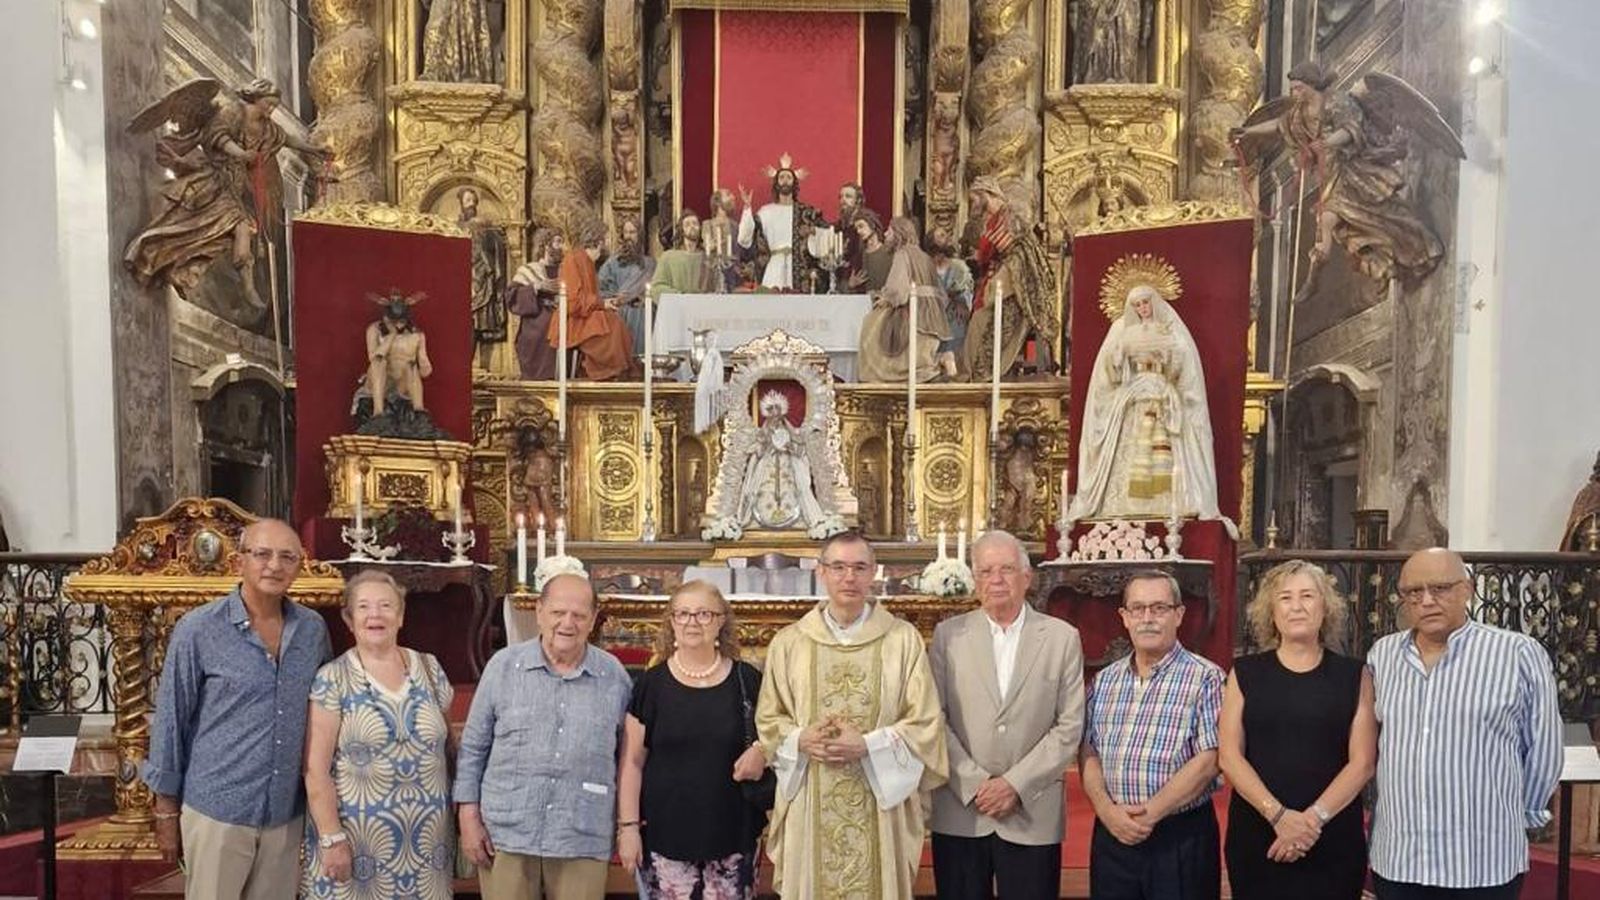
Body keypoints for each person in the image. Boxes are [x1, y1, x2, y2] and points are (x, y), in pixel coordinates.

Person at [142, 519, 332, 900]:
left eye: (287, 557)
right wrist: (165, 809)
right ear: (238, 561)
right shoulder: (198, 629)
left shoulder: (312, 631)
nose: (274, 566)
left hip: (284, 813)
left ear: (299, 566)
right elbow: (171, 721)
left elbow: (325, 712)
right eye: (262, 554)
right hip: (218, 808)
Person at [755, 531, 947, 898]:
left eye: (860, 567)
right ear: (821, 573)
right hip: (810, 789)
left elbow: (925, 723)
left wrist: (869, 745)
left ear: (874, 573)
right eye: (839, 567)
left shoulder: (902, 640)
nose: (849, 577)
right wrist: (800, 739)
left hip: (880, 803)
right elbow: (769, 719)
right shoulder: (791, 642)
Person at [1367, 548, 1563, 899]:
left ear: (1468, 589)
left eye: (1440, 588)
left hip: (1481, 861)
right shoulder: (1383, 654)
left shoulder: (1517, 653)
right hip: (1399, 858)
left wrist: (1523, 815)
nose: (1426, 600)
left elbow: (1543, 749)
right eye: (1414, 592)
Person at [455, 574, 632, 900]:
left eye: (579, 615)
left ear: (593, 619)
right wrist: (468, 816)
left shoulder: (614, 677)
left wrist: (627, 826)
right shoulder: (503, 667)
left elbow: (628, 759)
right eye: (557, 612)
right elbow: (473, 748)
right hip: (507, 833)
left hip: (581, 834)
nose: (568, 623)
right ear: (539, 612)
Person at [929, 531, 1085, 899]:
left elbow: (1069, 726)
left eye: (1006, 570)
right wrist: (975, 783)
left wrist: (1014, 784)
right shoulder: (948, 636)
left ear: (1027, 578)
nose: (996, 580)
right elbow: (933, 719)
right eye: (986, 571)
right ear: (974, 578)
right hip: (962, 810)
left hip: (1032, 810)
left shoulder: (1062, 638)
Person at [1219, 560, 1376, 900]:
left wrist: (1310, 823)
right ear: (1271, 611)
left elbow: (1362, 762)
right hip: (1260, 832)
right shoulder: (1245, 672)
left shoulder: (1354, 674)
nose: (1297, 606)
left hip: (1331, 832)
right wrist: (1278, 816)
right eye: (1285, 598)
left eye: (1307, 595)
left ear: (1326, 607)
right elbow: (1230, 756)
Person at [302, 570, 456, 900]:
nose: (376, 615)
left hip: (428, 851)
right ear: (349, 618)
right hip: (354, 849)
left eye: (386, 606)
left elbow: (447, 748)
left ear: (400, 616)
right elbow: (316, 770)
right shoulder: (332, 679)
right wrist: (331, 838)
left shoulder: (430, 668)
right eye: (364, 607)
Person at [617, 581, 770, 899]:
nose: (691, 622)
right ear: (671, 621)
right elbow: (632, 762)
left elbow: (774, 735)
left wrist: (761, 750)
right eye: (683, 614)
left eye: (703, 614)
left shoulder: (747, 680)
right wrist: (628, 828)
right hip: (666, 835)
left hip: (733, 833)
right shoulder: (651, 685)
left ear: (721, 621)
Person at [1081, 571, 1224, 900]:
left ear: (1179, 614)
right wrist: (1105, 810)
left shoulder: (1206, 678)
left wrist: (1149, 814)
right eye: (1138, 608)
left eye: (1159, 608)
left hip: (1179, 837)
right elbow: (1088, 751)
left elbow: (1209, 760)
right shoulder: (1105, 681)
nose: (1148, 618)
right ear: (1124, 617)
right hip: (1112, 833)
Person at [1067, 284, 1235, 535]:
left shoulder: (1170, 331)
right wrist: (1119, 360)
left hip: (1161, 394)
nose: (1142, 309)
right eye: (1137, 305)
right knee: (1130, 447)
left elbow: (1183, 370)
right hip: (1132, 397)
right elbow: (1110, 374)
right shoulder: (1121, 331)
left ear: (1154, 302)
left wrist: (1167, 376)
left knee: (1164, 447)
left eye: (1145, 303)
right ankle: (1125, 503)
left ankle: (1169, 503)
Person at [961, 175, 1061, 380]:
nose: (974, 204)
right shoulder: (992, 218)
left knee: (983, 317)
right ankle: (976, 369)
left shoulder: (1008, 214)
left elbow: (1011, 244)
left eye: (976, 198)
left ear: (986, 195)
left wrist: (988, 259)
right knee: (980, 314)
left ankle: (985, 369)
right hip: (1005, 268)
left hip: (1016, 271)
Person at [858, 216, 953, 384]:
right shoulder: (924, 256)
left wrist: (885, 299)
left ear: (899, 233)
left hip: (914, 310)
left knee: (870, 323)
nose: (886, 234)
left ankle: (881, 373)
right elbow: (940, 292)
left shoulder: (903, 253)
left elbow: (897, 291)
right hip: (933, 315)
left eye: (890, 230)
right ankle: (938, 361)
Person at [550, 221, 635, 381]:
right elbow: (573, 302)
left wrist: (608, 302)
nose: (609, 243)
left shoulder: (589, 262)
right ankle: (610, 371)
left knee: (618, 323)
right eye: (607, 238)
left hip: (585, 315)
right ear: (599, 241)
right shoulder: (573, 259)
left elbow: (590, 298)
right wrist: (603, 304)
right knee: (612, 326)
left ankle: (617, 371)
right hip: (573, 320)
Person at [737, 153, 828, 290]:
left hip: (800, 269)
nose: (785, 181)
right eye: (781, 177)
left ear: (794, 182)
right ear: (776, 182)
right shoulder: (766, 212)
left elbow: (826, 235)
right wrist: (747, 208)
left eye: (789, 177)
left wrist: (813, 231)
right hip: (774, 267)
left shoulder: (806, 212)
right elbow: (745, 239)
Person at [507, 227, 563, 380]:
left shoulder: (566, 270)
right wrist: (536, 287)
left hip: (562, 322)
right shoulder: (529, 270)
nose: (561, 246)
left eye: (562, 242)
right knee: (535, 336)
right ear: (546, 245)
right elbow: (511, 297)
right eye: (558, 242)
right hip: (536, 325)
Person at [597, 217, 657, 358]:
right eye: (626, 232)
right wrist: (616, 299)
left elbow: (655, 289)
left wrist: (644, 298)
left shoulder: (650, 264)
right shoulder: (612, 262)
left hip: (642, 314)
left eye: (633, 232)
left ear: (640, 235)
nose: (629, 236)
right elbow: (600, 288)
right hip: (619, 313)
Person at [460, 186, 509, 342]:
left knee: (477, 322)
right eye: (467, 200)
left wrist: (496, 234)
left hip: (481, 275)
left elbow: (494, 245)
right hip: (461, 275)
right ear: (461, 203)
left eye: (474, 201)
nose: (471, 204)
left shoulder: (485, 225)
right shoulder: (455, 226)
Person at [927, 227, 974, 372]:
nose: (946, 238)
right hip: (933, 319)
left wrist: (961, 301)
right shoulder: (926, 267)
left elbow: (967, 291)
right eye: (941, 235)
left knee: (955, 361)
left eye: (946, 235)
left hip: (955, 319)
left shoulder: (959, 267)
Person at [652, 210, 712, 296]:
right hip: (678, 306)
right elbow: (657, 287)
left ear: (700, 227)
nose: (692, 226)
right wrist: (679, 295)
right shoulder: (668, 257)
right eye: (687, 224)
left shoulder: (707, 258)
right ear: (681, 229)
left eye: (695, 223)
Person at [850, 210, 894, 294]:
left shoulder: (888, 252)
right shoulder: (860, 256)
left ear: (872, 224)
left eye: (861, 226)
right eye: (857, 228)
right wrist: (852, 285)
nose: (858, 231)